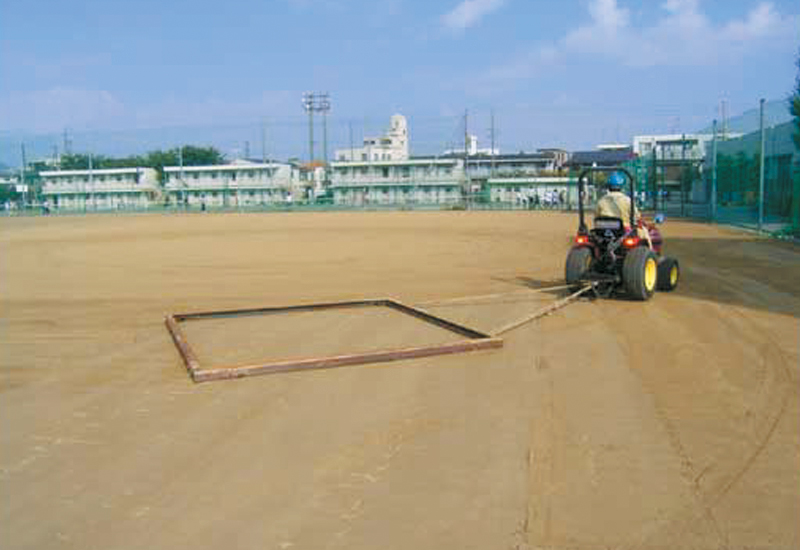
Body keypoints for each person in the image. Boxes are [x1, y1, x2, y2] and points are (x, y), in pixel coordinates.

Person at [595, 172, 649, 239]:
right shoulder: (627, 200)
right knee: (644, 232)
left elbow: (597, 216)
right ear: (621, 186)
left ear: (608, 186)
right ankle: (649, 249)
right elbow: (636, 216)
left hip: (603, 231)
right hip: (623, 231)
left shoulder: (601, 201)